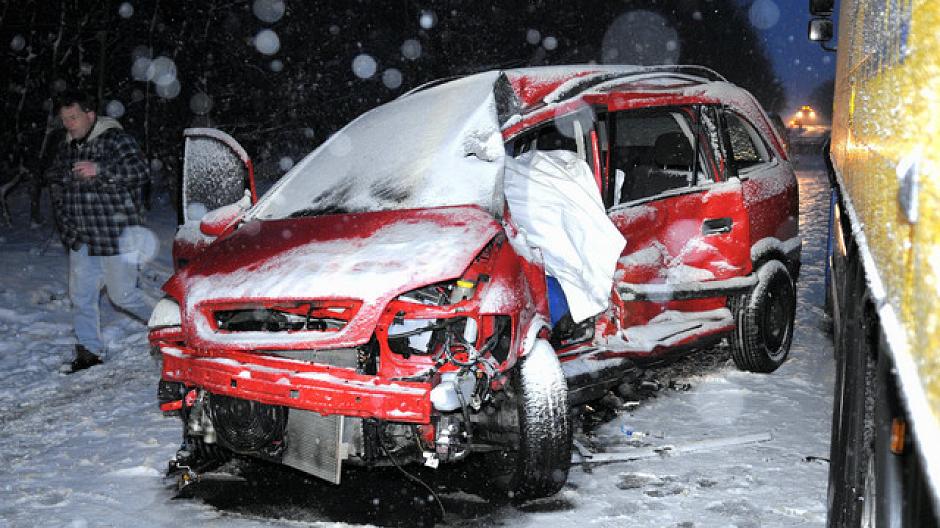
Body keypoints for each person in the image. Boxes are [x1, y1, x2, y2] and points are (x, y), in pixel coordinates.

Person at [45, 90, 155, 373]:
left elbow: (140, 171)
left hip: (115, 234)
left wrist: (100, 170)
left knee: (123, 296)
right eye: (64, 119)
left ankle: (174, 325)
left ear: (90, 115)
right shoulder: (67, 148)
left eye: (73, 117)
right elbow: (55, 181)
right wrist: (67, 228)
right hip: (82, 238)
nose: (69, 124)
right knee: (81, 297)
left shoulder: (115, 139)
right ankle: (89, 352)